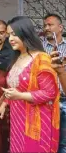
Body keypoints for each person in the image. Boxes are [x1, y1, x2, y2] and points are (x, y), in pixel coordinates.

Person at [0, 16, 60, 153]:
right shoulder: (18, 58)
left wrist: (19, 95)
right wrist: (5, 103)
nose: (10, 39)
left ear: (25, 33)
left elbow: (49, 93)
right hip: (17, 119)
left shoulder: (41, 58)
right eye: (9, 35)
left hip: (36, 122)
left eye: (14, 34)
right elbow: (16, 87)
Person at [43, 13, 66, 153]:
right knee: (46, 140)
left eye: (50, 25)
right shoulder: (39, 48)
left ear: (60, 27)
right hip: (45, 102)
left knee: (63, 143)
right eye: (45, 25)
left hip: (64, 100)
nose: (46, 28)